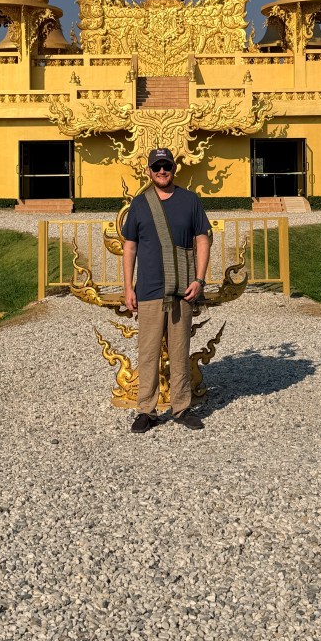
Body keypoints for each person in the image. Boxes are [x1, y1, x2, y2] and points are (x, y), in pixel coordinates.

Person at [122, 147, 211, 432]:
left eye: (167, 166)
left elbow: (202, 240)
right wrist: (128, 287)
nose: (162, 171)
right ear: (148, 171)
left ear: (174, 169)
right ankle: (146, 410)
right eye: (157, 167)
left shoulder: (190, 200)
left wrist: (199, 279)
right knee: (148, 353)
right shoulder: (139, 204)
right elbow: (130, 246)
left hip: (182, 288)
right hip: (149, 290)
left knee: (180, 350)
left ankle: (181, 407)